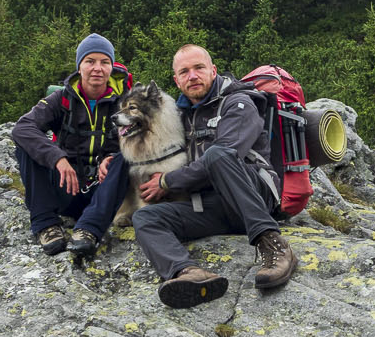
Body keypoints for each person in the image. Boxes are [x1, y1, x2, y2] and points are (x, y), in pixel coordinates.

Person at [72, 42, 296, 308]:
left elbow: (226, 153)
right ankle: (187, 273)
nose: (192, 76)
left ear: (213, 70)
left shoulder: (238, 103)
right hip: (213, 207)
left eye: (199, 68)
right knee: (145, 217)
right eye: (184, 71)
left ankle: (273, 245)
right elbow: (147, 138)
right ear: (177, 81)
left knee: (217, 155)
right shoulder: (182, 115)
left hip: (251, 195)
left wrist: (167, 181)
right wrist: (109, 158)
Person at [11, 33, 132, 259]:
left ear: (111, 67)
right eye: (90, 61)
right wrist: (56, 157)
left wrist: (112, 156)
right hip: (66, 187)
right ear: (79, 66)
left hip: (103, 191)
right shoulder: (61, 99)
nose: (97, 68)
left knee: (127, 156)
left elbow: (142, 134)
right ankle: (46, 224)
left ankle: (89, 229)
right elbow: (22, 128)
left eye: (104, 62)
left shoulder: (125, 101)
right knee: (27, 145)